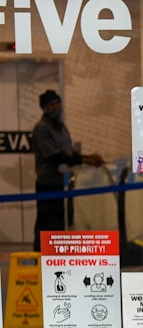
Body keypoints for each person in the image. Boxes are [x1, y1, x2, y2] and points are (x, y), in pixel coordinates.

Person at [31, 89, 104, 251]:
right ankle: (40, 258)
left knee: (58, 225)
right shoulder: (41, 129)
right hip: (47, 184)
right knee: (45, 225)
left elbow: (69, 154)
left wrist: (87, 157)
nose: (56, 107)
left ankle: (55, 258)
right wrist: (85, 160)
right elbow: (55, 157)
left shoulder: (61, 127)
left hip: (60, 184)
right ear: (44, 108)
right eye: (52, 104)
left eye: (58, 103)